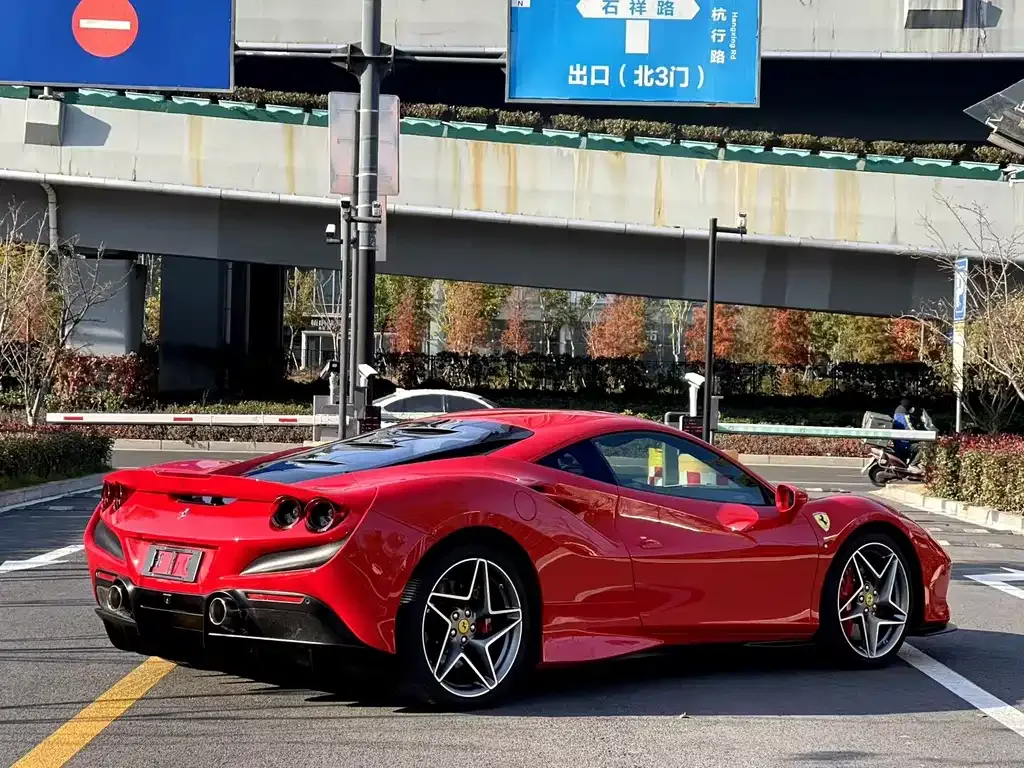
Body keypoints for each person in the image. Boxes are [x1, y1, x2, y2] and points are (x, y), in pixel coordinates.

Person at [893, 396, 925, 474]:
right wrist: (922, 435)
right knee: (923, 447)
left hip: (901, 441)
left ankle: (910, 463)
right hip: (904, 443)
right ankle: (912, 465)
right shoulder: (902, 415)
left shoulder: (898, 412)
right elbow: (909, 430)